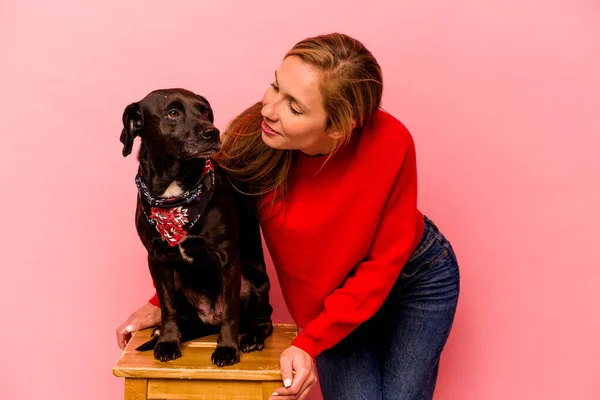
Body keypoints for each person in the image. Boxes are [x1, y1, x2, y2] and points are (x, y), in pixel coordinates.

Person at [117, 32, 460, 400]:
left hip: (414, 278)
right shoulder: (250, 142)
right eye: (275, 86)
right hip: (332, 300)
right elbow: (215, 233)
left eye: (294, 107)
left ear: (338, 129)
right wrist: (161, 303)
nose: (269, 109)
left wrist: (310, 342)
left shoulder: (390, 141)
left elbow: (383, 262)